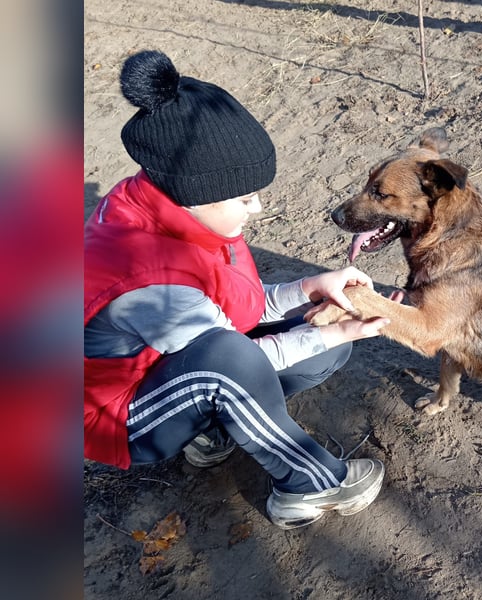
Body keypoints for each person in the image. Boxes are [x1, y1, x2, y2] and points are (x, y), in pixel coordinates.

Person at [84, 50, 393, 530]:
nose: (258, 209)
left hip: (175, 361)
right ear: (196, 194)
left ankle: (214, 428)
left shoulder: (182, 212)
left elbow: (234, 303)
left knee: (320, 342)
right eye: (245, 198)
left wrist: (309, 288)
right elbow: (231, 359)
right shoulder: (146, 276)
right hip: (123, 415)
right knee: (254, 358)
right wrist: (339, 333)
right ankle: (310, 485)